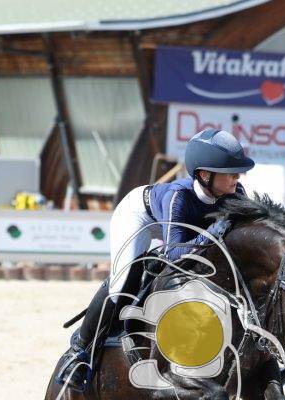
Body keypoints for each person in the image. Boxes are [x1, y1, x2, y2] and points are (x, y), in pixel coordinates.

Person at [65, 129, 254, 386]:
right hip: (141, 217)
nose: (237, 177)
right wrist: (212, 233)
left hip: (182, 228)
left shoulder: (236, 192)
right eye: (230, 172)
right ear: (204, 175)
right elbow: (174, 252)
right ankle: (80, 349)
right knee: (123, 281)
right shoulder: (179, 196)